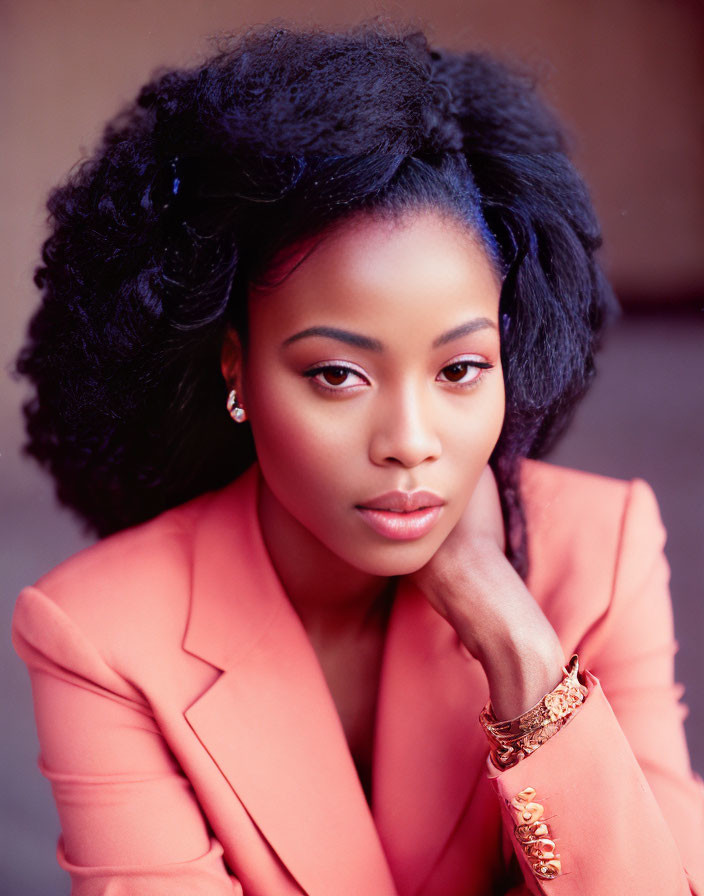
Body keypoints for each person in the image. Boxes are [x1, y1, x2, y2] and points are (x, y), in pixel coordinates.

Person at [10, 18, 704, 896]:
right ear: (236, 366)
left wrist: (515, 639)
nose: (412, 442)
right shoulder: (102, 636)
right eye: (338, 374)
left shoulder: (600, 553)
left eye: (460, 369)